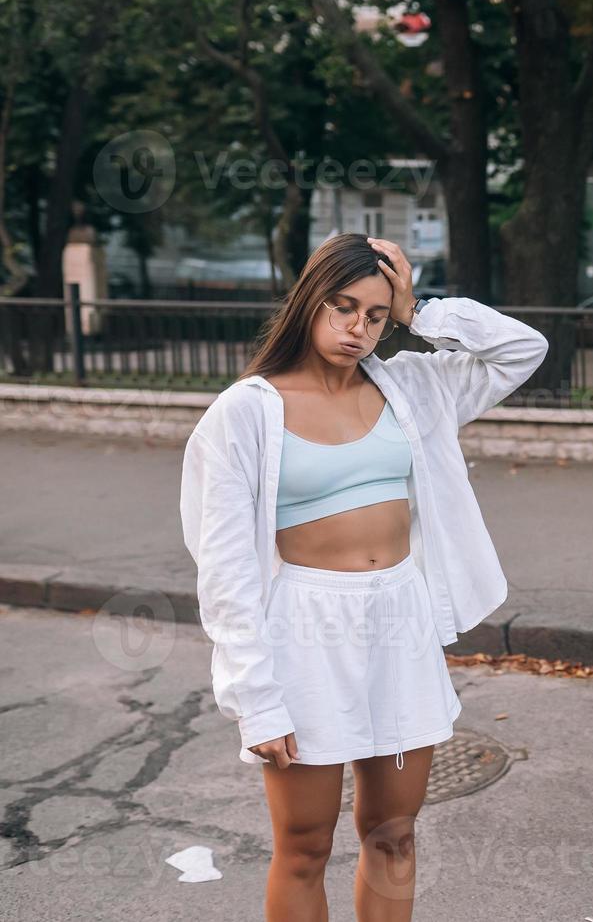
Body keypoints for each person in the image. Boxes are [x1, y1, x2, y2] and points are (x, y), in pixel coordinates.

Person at [178, 233, 547, 921]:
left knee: (394, 833)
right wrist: (254, 696)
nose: (357, 328)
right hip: (303, 634)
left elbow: (523, 349)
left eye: (375, 315)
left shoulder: (412, 387)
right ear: (307, 302)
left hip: (399, 624)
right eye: (343, 307)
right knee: (303, 845)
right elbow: (223, 569)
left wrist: (421, 312)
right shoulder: (247, 412)